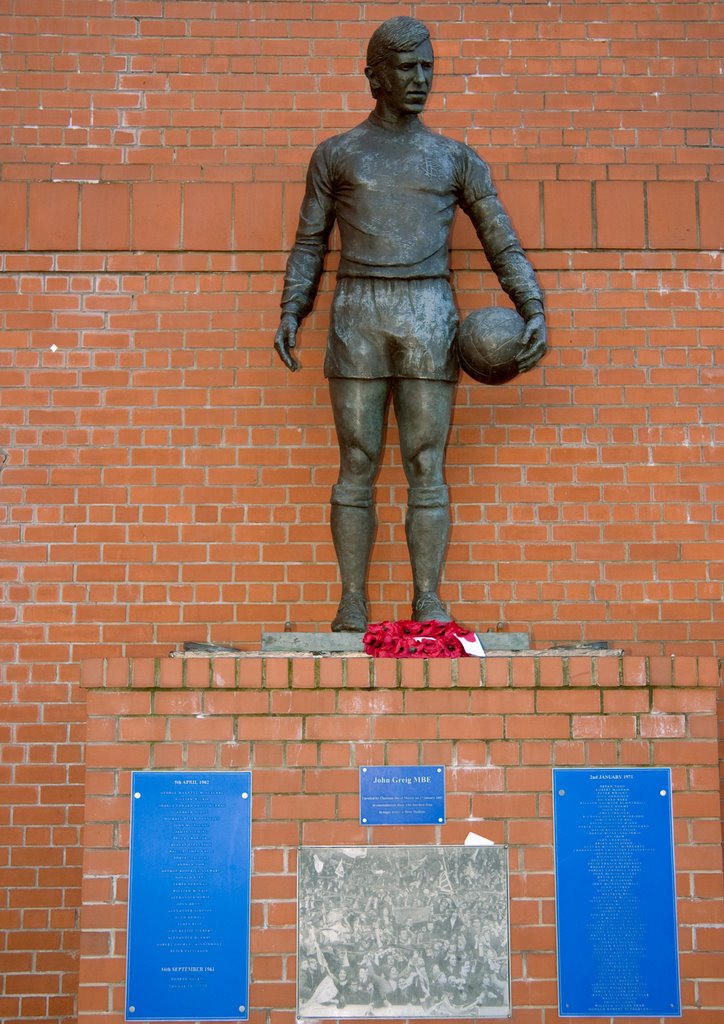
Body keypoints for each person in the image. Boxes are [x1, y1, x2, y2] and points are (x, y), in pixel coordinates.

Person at [274, 16, 546, 632]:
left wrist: (532, 304)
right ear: (375, 77)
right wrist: (293, 307)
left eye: (428, 67)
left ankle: (428, 600)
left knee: (426, 460)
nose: (421, 79)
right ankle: (352, 602)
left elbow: (500, 239)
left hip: (429, 311)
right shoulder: (337, 155)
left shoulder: (454, 158)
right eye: (407, 69)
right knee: (358, 456)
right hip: (358, 312)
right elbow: (310, 243)